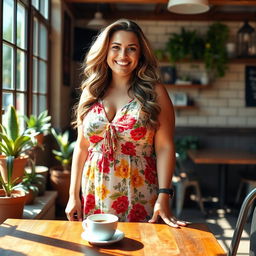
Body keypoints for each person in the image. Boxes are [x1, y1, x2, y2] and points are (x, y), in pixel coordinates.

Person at [65, 19, 186, 228]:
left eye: (131, 49)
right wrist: (72, 195)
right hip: (94, 192)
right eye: (116, 48)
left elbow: (165, 147)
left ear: (140, 55)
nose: (123, 55)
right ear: (105, 51)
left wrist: (164, 195)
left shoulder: (155, 93)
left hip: (139, 191)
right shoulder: (91, 92)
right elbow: (82, 146)